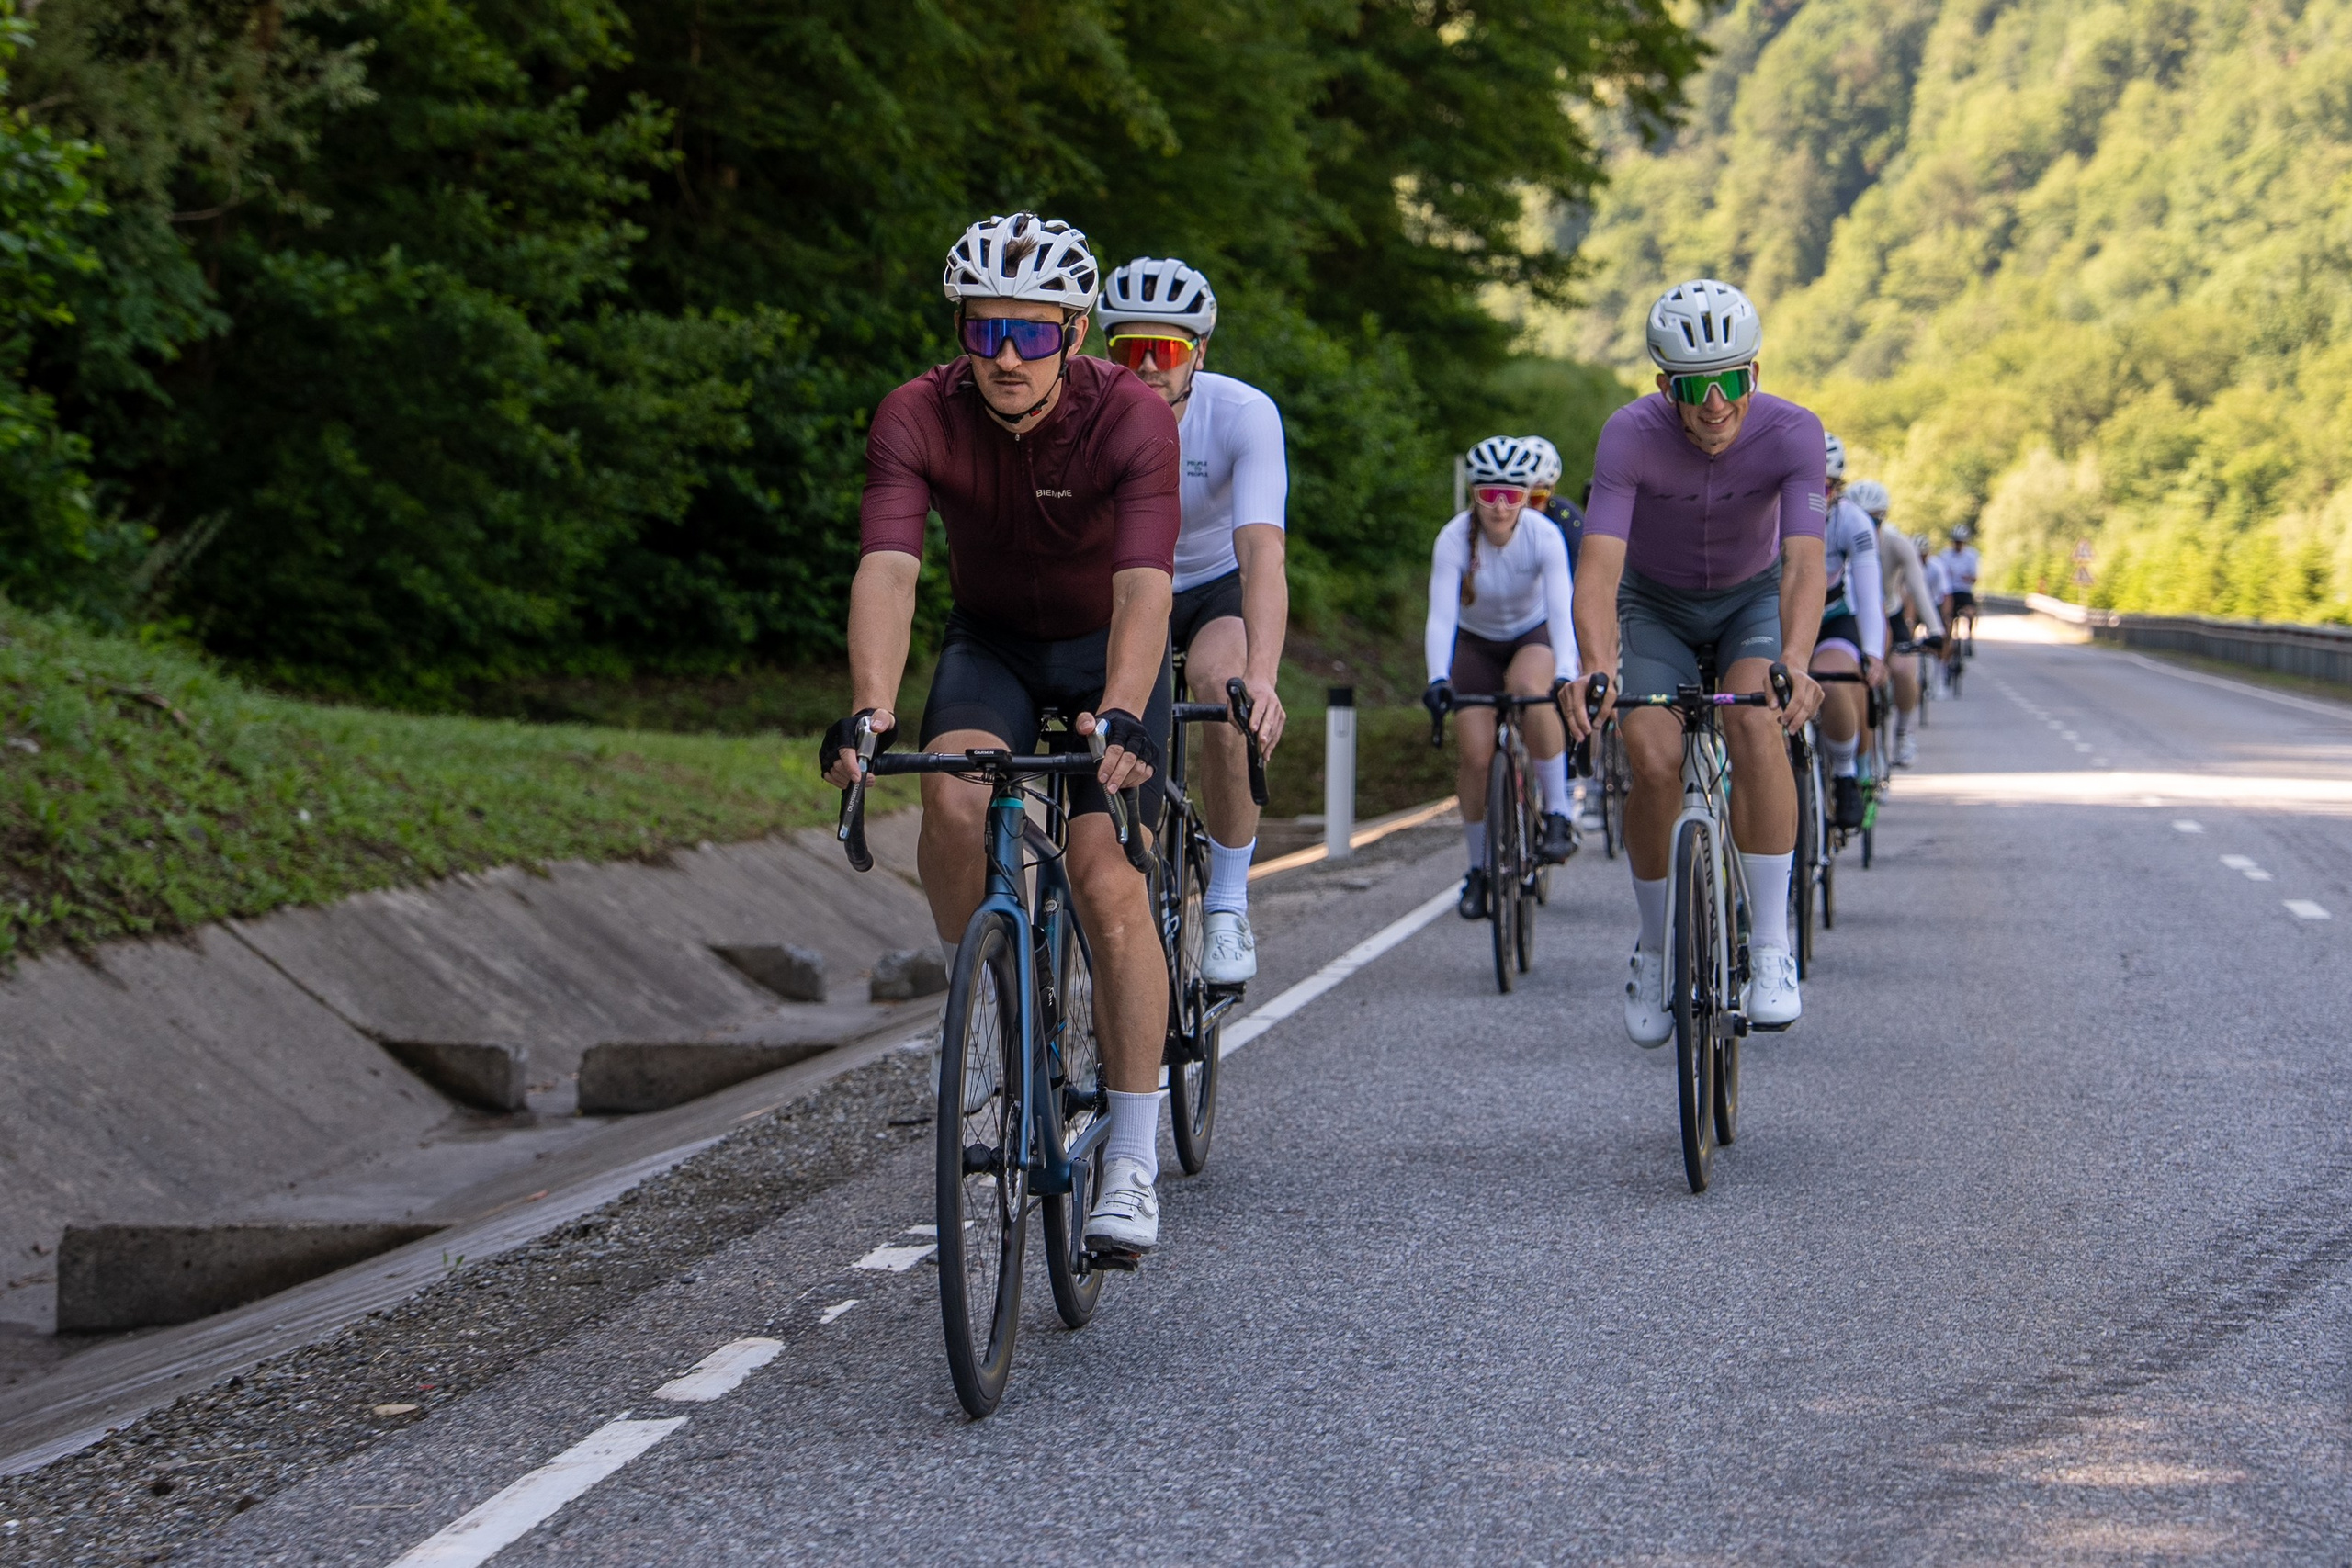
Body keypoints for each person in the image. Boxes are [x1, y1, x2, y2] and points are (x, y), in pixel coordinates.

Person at [821, 213, 1177, 1255]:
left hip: (1105, 648)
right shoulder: (915, 415)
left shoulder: (1131, 418)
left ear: (1073, 332)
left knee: (1106, 876)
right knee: (947, 795)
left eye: (1029, 335)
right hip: (993, 646)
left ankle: (1132, 1160)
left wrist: (1118, 707)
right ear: (961, 337)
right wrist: (872, 706)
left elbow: (1146, 587)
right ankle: (976, 1001)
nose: (1007, 359)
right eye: (985, 335)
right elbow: (889, 567)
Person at [1565, 278, 1827, 1044]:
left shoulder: (1794, 432)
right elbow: (1599, 569)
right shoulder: (1630, 434)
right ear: (1663, 386)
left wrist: (1798, 659)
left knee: (1756, 725)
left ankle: (1772, 949)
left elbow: (1806, 563)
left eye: (1732, 379)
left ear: (1754, 373)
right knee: (1649, 754)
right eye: (1693, 385)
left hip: (1751, 601)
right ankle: (1654, 945)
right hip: (1657, 606)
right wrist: (1594, 664)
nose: (1716, 403)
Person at [1092, 257, 1287, 988]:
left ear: (1199, 353)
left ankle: (1229, 899)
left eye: (1165, 351)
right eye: (1126, 349)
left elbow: (1263, 551)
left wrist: (1262, 678)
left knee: (1222, 686)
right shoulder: (1082, 415)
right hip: (1123, 586)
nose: (1144, 367)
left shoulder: (1241, 414)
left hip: (1211, 587)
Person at [1423, 435, 1581, 916]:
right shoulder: (1453, 539)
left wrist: (1567, 672)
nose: (1499, 506)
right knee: (1474, 755)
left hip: (1530, 636)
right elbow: (1441, 618)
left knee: (1530, 691)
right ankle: (1478, 868)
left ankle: (1557, 813)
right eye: (1489, 494)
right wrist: (1437, 678)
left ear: (1526, 496)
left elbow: (1560, 612)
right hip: (1475, 644)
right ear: (1474, 494)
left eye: (1512, 495)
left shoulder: (1544, 535)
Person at [1814, 433, 1885, 830]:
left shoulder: (1852, 521)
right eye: (1804, 483)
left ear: (1838, 490)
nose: (1815, 495)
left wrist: (1872, 653)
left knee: (1834, 680)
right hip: (1777, 614)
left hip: (1831, 615)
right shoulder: (1769, 513)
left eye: (1825, 486)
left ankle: (1844, 775)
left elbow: (1869, 591)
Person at [1848, 480, 1941, 765]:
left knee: (1902, 669)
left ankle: (1903, 731)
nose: (1868, 527)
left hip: (1890, 612)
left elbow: (1919, 587)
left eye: (1874, 520)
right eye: (1860, 519)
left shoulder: (1897, 544)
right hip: (1853, 614)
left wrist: (1936, 629)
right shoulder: (1838, 535)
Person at [1521, 435, 1586, 571]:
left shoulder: (1566, 514)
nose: (1528, 506)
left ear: (1552, 489)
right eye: (1518, 497)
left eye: (1537, 497)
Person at [1938, 525, 1981, 657]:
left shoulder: (1971, 555)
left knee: (1970, 612)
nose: (1958, 545)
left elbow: (1974, 577)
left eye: (1960, 542)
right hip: (1950, 592)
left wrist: (1966, 577)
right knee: (1947, 617)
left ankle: (1969, 638)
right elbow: (1941, 575)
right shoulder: (1945, 555)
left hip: (1964, 591)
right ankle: (1947, 642)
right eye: (1956, 542)